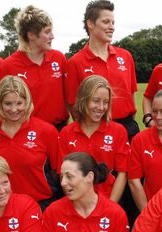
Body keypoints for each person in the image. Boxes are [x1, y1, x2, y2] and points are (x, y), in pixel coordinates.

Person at [0, 75, 60, 209]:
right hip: (3, 205)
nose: (14, 109)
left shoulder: (47, 131)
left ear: (27, 102)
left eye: (19, 103)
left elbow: (58, 172)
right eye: (8, 103)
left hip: (41, 204)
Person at [65, 1, 139, 139]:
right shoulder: (75, 62)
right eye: (106, 22)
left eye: (113, 22)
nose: (112, 27)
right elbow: (73, 105)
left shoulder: (126, 56)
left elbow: (132, 95)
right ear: (91, 24)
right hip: (94, 130)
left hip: (128, 128)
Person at [58, 75, 129, 201]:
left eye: (105, 102)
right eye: (96, 101)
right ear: (83, 99)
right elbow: (63, 175)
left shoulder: (118, 131)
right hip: (77, 202)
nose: (101, 107)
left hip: (109, 202)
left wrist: (110, 207)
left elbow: (122, 173)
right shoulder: (66, 133)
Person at [0, 6, 69, 130]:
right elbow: (1, 106)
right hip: (26, 131)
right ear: (31, 35)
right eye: (47, 32)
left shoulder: (59, 58)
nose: (52, 36)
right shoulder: (8, 66)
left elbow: (69, 98)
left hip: (59, 128)